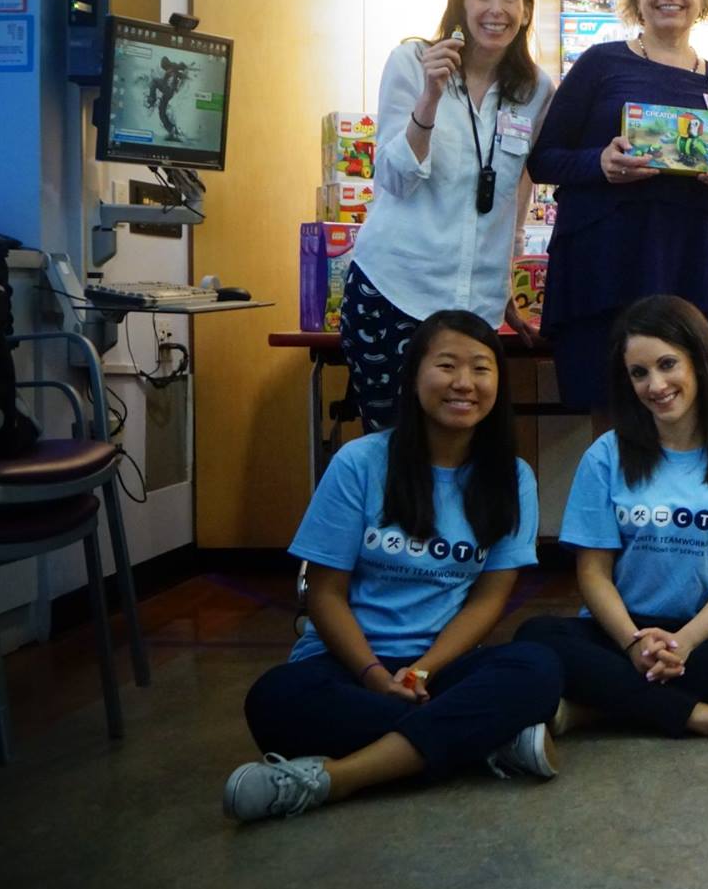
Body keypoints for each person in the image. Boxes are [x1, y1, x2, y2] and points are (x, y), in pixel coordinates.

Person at [224, 310, 563, 822]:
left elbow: (489, 600)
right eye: (446, 366)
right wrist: (373, 675)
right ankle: (485, 741)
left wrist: (424, 669)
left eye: (481, 368)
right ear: (414, 376)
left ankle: (334, 779)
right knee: (274, 700)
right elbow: (325, 594)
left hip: (441, 667)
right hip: (343, 665)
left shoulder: (512, 478)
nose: (464, 383)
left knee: (539, 668)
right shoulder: (360, 463)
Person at [516, 297, 708, 746]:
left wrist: (683, 642)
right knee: (536, 637)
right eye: (639, 372)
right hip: (618, 630)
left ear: (700, 363)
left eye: (668, 364)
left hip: (700, 631)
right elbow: (592, 572)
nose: (656, 384)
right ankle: (706, 718)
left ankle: (593, 710)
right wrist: (632, 644)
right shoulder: (605, 455)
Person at [527, 0, 708, 420]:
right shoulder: (600, 63)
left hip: (686, 272)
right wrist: (601, 164)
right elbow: (544, 158)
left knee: (683, 422)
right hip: (602, 272)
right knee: (610, 423)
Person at [342, 0, 554, 430]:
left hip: (475, 305)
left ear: (524, 13)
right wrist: (430, 97)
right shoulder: (413, 61)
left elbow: (520, 182)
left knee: (461, 450)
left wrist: (506, 279)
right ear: (460, 3)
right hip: (395, 290)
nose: (495, 8)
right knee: (393, 451)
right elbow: (394, 179)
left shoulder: (536, 89)